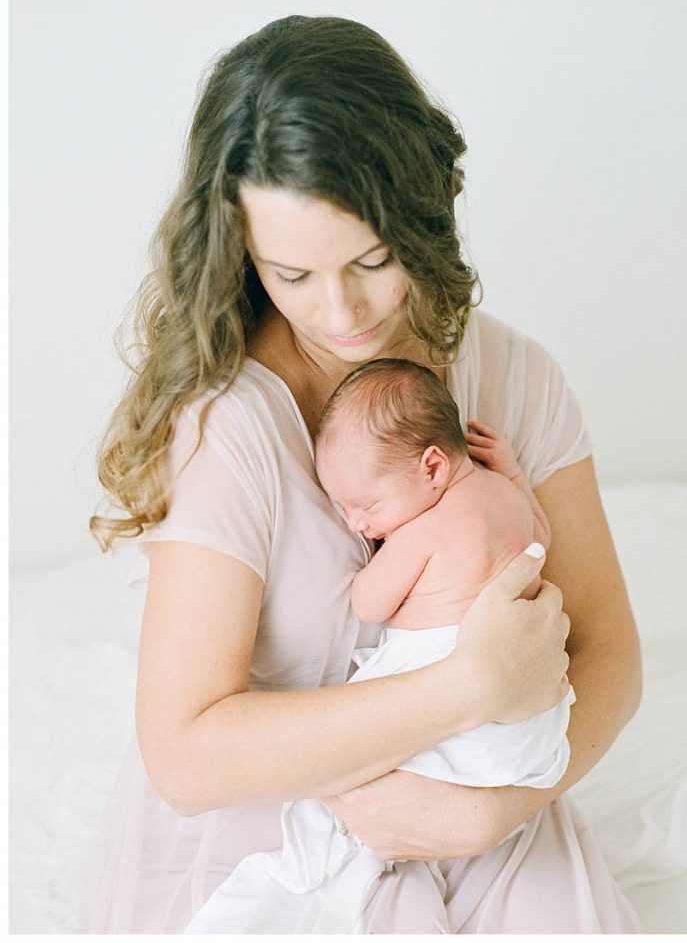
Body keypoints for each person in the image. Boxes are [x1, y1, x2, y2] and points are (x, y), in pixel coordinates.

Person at [81, 14, 643, 933]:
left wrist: (496, 809)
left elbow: (611, 657)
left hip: (489, 799)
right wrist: (467, 689)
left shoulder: (514, 380)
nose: (340, 313)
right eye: (291, 274)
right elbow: (185, 758)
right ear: (242, 257)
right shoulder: (227, 422)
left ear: (420, 218)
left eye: (372, 260)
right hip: (269, 829)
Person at [185, 359, 573, 933]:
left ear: (433, 467)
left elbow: (369, 603)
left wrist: (379, 552)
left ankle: (320, 873)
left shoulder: (422, 530)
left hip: (449, 685)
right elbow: (542, 535)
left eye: (367, 505)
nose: (358, 522)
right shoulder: (506, 498)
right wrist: (513, 474)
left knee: (337, 766)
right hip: (534, 727)